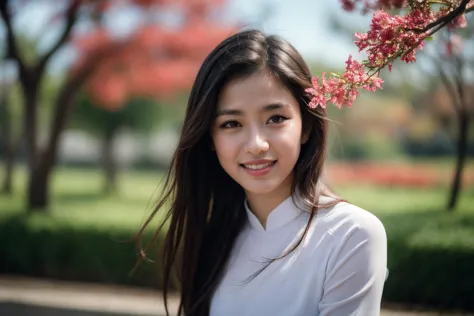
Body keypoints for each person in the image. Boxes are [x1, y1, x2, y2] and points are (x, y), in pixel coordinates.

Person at [135, 29, 388, 316]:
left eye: (275, 119)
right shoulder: (215, 237)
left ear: (305, 126)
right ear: (210, 139)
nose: (256, 145)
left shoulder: (351, 235)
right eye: (232, 124)